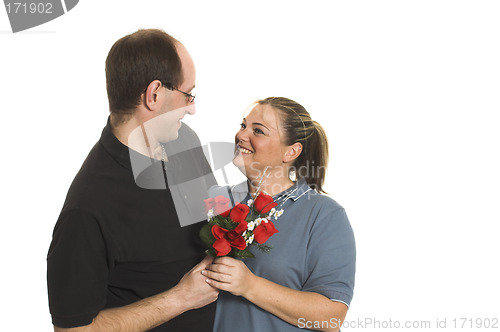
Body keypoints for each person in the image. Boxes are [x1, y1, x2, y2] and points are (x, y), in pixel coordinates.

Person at [47, 29, 219, 332]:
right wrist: (181, 298)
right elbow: (73, 329)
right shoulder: (88, 208)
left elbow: (210, 208)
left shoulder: (184, 140)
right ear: (154, 94)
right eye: (187, 94)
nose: (192, 107)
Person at [203, 97, 356, 332]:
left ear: (291, 151)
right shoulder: (217, 200)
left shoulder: (323, 215)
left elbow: (331, 318)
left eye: (258, 131)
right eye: (243, 125)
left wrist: (250, 285)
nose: (241, 136)